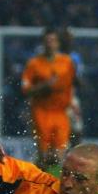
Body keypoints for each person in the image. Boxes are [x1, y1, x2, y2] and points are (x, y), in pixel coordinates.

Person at [21, 28, 76, 169]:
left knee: (58, 157)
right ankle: (37, 180)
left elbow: (72, 84)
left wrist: (74, 104)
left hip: (61, 112)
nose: (50, 44)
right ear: (43, 43)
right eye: (47, 41)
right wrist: (43, 87)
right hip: (41, 112)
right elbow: (25, 90)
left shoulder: (67, 62)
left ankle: (33, 170)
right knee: (44, 156)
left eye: (53, 40)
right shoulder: (34, 64)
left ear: (58, 43)